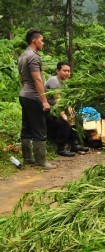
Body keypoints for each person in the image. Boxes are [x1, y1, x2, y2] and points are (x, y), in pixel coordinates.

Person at [17, 29, 56, 169]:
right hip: (33, 97)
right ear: (35, 40)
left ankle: (28, 158)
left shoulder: (22, 56)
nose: (43, 43)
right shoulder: (34, 57)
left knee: (26, 127)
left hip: (24, 94)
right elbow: (38, 80)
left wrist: (25, 90)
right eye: (42, 40)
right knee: (40, 128)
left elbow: (22, 78)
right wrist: (44, 100)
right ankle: (41, 161)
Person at [45, 61, 90, 156]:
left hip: (59, 108)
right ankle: (61, 148)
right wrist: (65, 116)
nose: (67, 73)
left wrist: (72, 114)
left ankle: (75, 144)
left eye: (68, 71)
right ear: (58, 71)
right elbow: (58, 102)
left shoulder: (66, 83)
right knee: (64, 121)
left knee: (77, 118)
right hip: (49, 110)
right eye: (64, 70)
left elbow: (67, 102)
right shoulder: (54, 80)